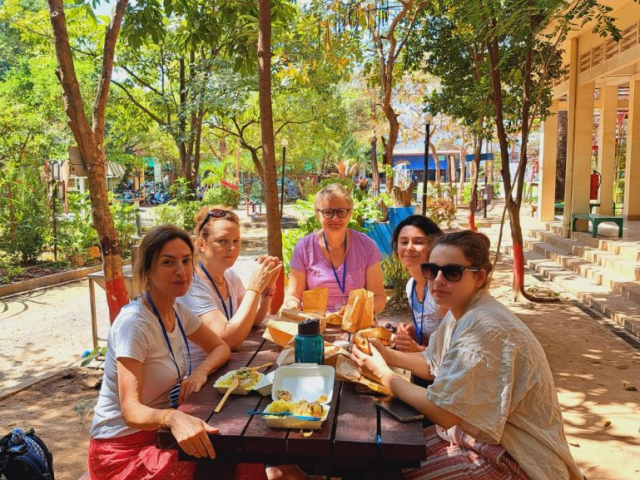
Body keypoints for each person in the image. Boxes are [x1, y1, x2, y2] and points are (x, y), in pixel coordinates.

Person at [352, 230, 583, 480]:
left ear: (479, 277)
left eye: (452, 272)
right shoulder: (460, 311)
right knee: (379, 455)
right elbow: (432, 363)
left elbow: (443, 411)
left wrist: (383, 374)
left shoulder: (485, 327)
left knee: (383, 468)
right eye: (432, 270)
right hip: (474, 438)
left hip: (515, 459)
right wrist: (387, 355)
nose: (438, 280)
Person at [88, 225, 231, 480]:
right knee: (225, 461)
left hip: (161, 435)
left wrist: (199, 373)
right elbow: (131, 411)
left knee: (237, 457)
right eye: (168, 262)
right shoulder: (135, 323)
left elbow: (221, 347)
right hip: (120, 451)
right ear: (147, 270)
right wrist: (172, 418)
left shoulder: (177, 311)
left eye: (186, 261)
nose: (181, 271)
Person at [180, 206, 282, 358]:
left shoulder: (229, 274)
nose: (232, 247)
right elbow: (230, 340)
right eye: (222, 241)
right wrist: (254, 287)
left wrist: (268, 286)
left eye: (236, 240)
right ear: (201, 244)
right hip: (199, 369)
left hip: (226, 364)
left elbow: (254, 319)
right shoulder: (193, 285)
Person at [283, 183, 386, 314]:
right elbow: (294, 295)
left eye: (341, 212)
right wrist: (293, 305)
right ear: (318, 214)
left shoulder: (366, 246)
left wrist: (359, 314)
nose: (335, 218)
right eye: (328, 212)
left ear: (350, 213)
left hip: (356, 322)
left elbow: (378, 297)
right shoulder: (304, 247)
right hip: (316, 323)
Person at [391, 215, 446, 352]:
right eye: (404, 242)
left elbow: (454, 345)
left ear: (433, 247)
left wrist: (418, 350)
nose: (409, 248)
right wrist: (414, 333)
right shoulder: (411, 286)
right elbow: (430, 339)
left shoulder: (441, 286)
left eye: (418, 242)